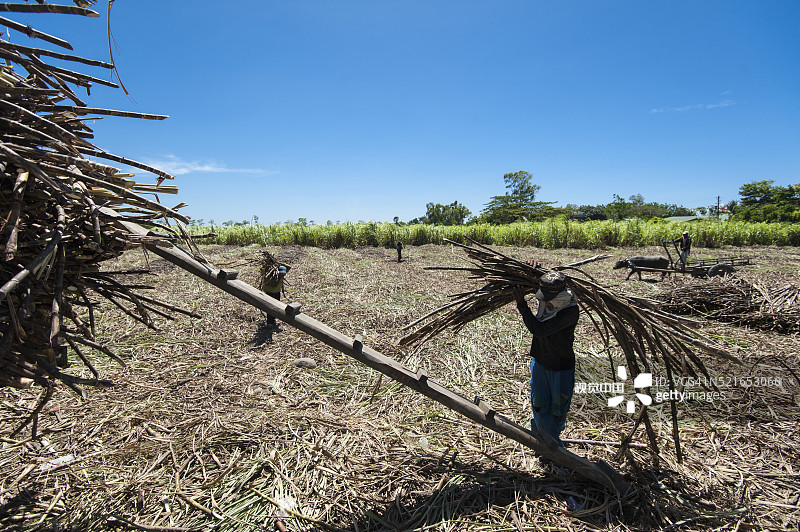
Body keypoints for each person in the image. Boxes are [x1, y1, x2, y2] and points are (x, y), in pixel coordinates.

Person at [513, 271, 579, 454]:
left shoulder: (570, 310)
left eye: (549, 298)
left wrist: (522, 306)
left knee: (557, 410)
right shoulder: (548, 295)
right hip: (540, 362)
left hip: (560, 367)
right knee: (539, 404)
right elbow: (546, 277)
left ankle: (552, 449)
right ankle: (543, 444)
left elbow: (539, 330)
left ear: (560, 294)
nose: (544, 301)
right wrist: (532, 267)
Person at [262, 264, 289, 329]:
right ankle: (269, 323)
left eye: (283, 274)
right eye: (280, 273)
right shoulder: (270, 276)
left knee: (276, 306)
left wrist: (276, 263)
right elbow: (262, 270)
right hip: (269, 293)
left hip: (277, 293)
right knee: (270, 307)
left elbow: (288, 267)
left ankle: (273, 319)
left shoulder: (282, 276)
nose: (281, 275)